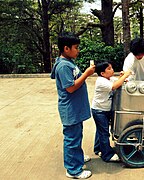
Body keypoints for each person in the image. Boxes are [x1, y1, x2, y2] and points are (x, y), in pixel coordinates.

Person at [50, 32, 95, 179]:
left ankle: (77, 158)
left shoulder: (69, 62)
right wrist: (86, 74)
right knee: (71, 139)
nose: (78, 50)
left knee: (76, 135)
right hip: (70, 109)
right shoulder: (63, 66)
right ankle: (73, 170)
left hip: (76, 108)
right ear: (66, 48)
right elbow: (70, 88)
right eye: (76, 47)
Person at [91, 62, 131, 162]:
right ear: (102, 73)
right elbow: (114, 86)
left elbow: (118, 82)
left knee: (101, 130)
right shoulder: (101, 81)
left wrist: (122, 77)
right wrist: (126, 74)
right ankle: (107, 155)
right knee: (104, 133)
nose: (112, 70)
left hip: (105, 109)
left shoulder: (109, 78)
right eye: (109, 69)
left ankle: (98, 149)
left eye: (112, 67)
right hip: (99, 111)